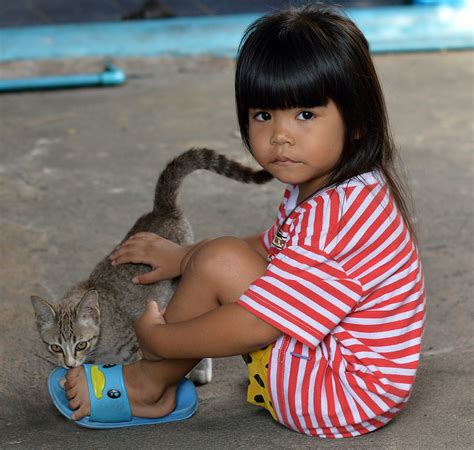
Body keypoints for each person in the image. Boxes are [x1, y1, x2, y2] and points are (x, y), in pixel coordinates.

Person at [65, 4, 426, 438]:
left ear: (358, 122)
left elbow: (258, 323)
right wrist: (186, 256)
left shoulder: (339, 214)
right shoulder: (339, 185)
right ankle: (157, 377)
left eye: (306, 114)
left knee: (220, 260)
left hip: (337, 393)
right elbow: (272, 247)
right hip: (354, 381)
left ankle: (149, 384)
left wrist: (163, 341)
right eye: (263, 115)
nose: (280, 135)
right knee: (219, 256)